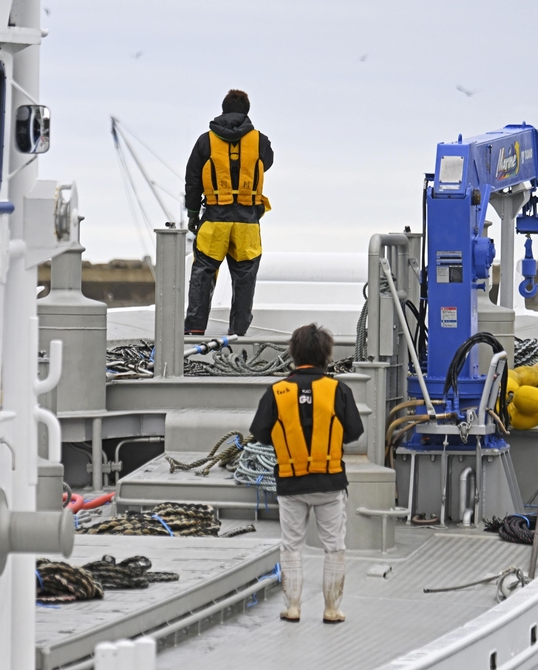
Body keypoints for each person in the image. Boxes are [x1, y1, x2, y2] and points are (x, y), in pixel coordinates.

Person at [249, 324, 364, 623]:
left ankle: (293, 607)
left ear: (293, 353)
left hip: (291, 484)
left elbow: (260, 433)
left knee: (291, 546)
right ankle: (331, 608)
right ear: (327, 354)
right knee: (334, 547)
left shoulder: (277, 391)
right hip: (330, 483)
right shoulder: (339, 390)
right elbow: (354, 432)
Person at [183, 89, 273, 337]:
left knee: (203, 275)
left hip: (214, 220)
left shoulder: (205, 141)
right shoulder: (261, 141)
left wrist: (192, 214)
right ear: (247, 111)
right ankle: (238, 335)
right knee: (244, 280)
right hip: (247, 224)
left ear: (223, 109)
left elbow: (192, 180)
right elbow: (267, 162)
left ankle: (193, 330)